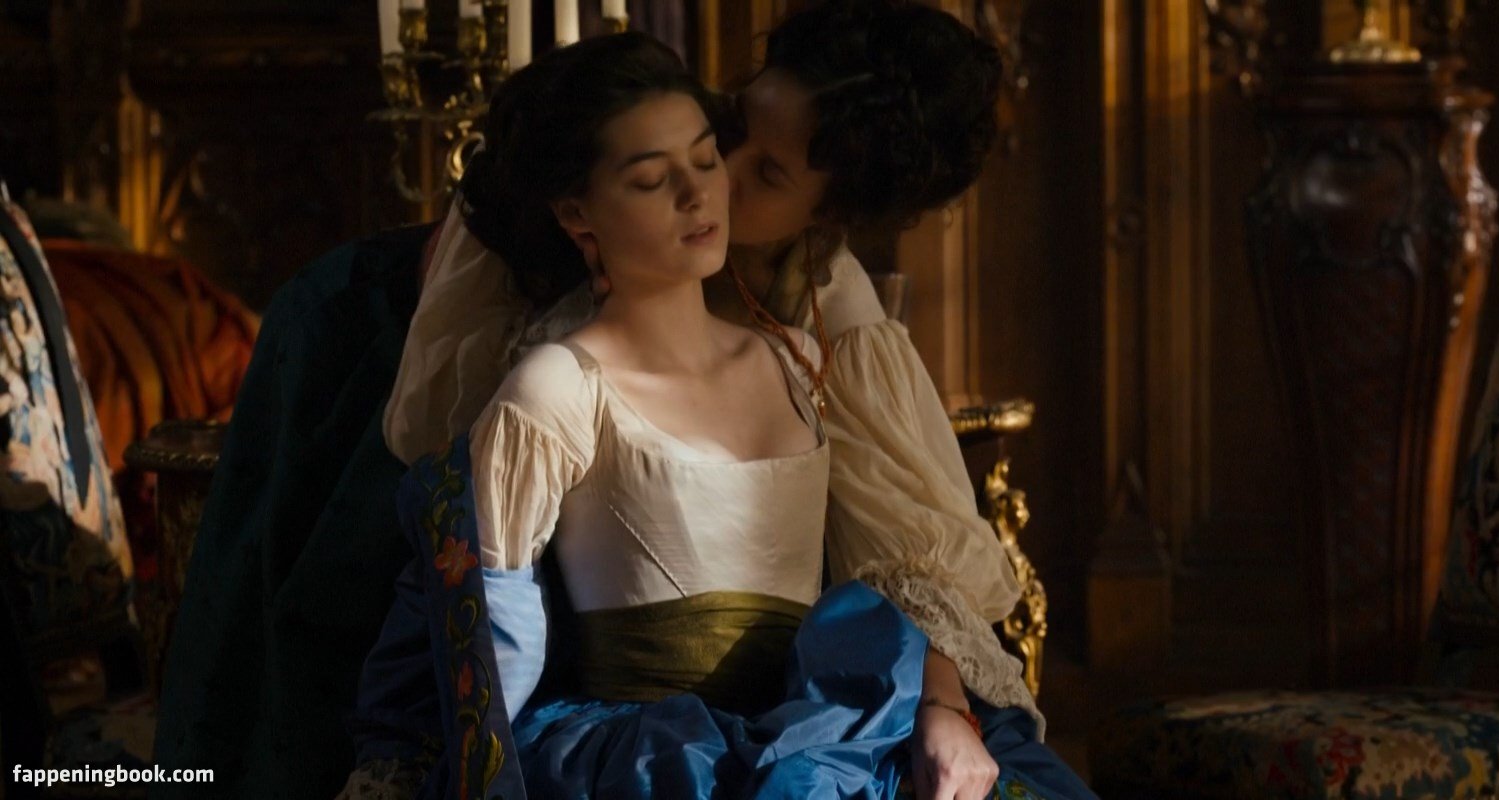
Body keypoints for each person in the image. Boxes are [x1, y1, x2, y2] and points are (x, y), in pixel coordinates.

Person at [156, 2, 1081, 797]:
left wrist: (941, 705)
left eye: (764, 173)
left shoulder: (819, 319)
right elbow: (472, 498)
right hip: (480, 464)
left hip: (763, 699)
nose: (720, 172)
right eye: (729, 125)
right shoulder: (552, 303)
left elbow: (902, 562)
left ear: (823, 216)